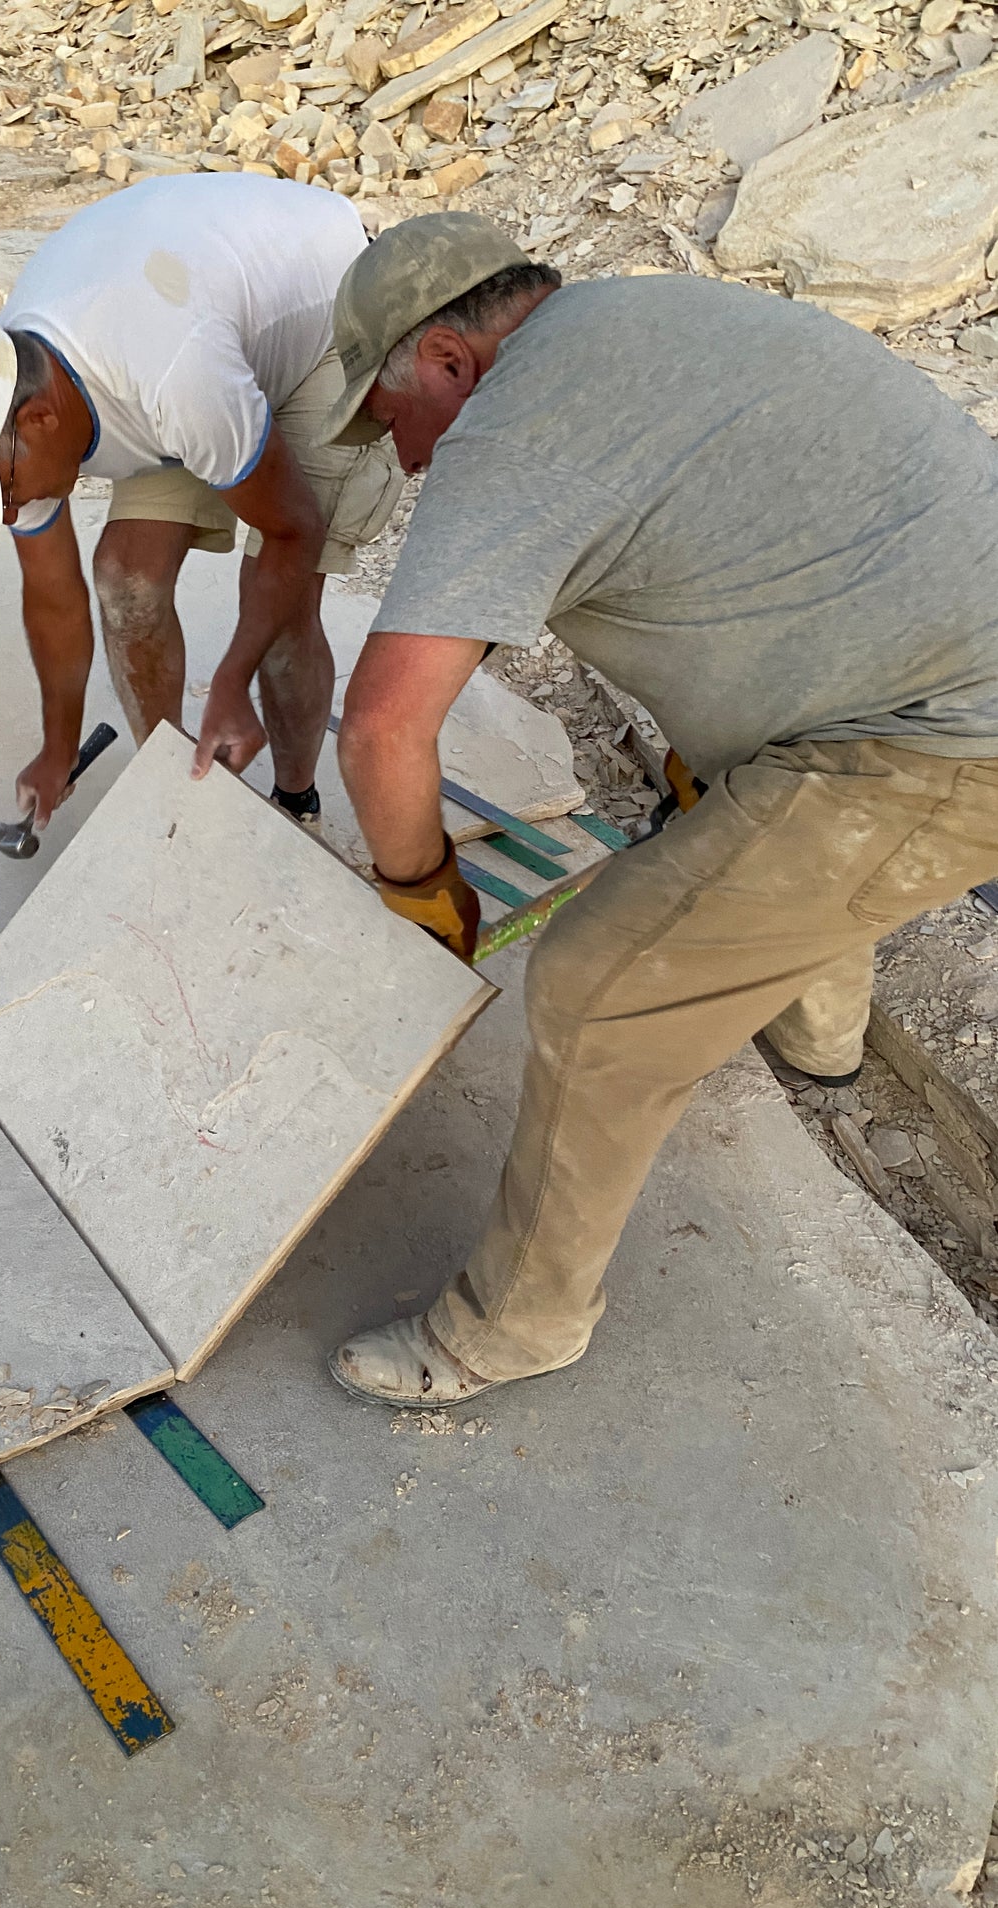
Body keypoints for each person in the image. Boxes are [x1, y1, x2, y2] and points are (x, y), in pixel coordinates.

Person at [319, 212, 998, 1409]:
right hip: (920, 657)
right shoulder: (649, 318)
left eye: (390, 422)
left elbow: (382, 724)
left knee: (600, 987)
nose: (405, 460)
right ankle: (817, 1044)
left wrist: (419, 890)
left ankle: (513, 1326)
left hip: (945, 737)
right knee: (745, 839)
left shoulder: (517, 421)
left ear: (445, 362)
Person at [0, 174, 403, 831]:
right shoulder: (6, 393)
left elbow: (291, 532)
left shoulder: (171, 374)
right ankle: (177, 784)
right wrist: (57, 747)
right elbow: (53, 596)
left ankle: (295, 803)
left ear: (42, 419)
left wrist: (228, 684)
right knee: (125, 580)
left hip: (330, 315)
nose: (9, 514)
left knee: (281, 611)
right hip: (190, 319)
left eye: (2, 494)